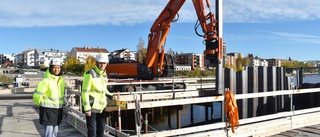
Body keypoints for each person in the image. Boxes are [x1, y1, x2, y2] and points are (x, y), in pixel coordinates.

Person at [82, 53, 114, 137]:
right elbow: (85, 92)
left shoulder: (103, 74)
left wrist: (111, 95)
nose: (102, 65)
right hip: (92, 107)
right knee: (92, 131)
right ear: (97, 62)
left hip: (102, 107)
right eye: (101, 63)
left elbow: (104, 89)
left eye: (104, 63)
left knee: (101, 130)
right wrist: (87, 108)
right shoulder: (90, 74)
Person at [33, 58, 65, 137]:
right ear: (50, 68)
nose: (56, 69)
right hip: (48, 111)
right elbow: (36, 95)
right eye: (54, 67)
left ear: (60, 69)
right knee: (49, 134)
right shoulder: (46, 81)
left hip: (58, 110)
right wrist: (41, 105)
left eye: (58, 67)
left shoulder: (61, 81)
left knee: (55, 133)